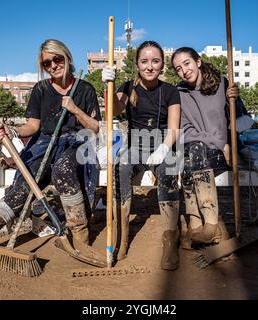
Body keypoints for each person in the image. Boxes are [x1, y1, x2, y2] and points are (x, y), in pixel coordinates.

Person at [0, 39, 102, 280]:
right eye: (47, 63)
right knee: (21, 189)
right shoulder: (41, 89)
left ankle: (80, 239)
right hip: (45, 144)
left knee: (64, 169)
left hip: (77, 143)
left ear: (68, 58)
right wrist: (11, 131)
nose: (53, 65)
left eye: (57, 59)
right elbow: (32, 126)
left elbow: (94, 127)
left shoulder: (85, 89)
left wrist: (74, 109)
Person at [102, 41, 182, 270]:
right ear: (137, 64)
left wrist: (164, 149)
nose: (149, 66)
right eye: (144, 61)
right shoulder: (128, 87)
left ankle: (170, 240)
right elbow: (112, 110)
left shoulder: (170, 91)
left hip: (162, 144)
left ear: (162, 65)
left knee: (168, 171)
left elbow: (174, 128)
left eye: (155, 61)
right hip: (134, 146)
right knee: (120, 167)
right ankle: (122, 237)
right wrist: (110, 84)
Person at [171, 47, 249, 248]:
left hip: (224, 152)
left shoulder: (224, 85)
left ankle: (209, 225)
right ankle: (199, 225)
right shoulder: (180, 93)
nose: (184, 71)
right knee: (191, 156)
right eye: (178, 68)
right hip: (202, 149)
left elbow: (241, 123)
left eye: (187, 63)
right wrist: (216, 143)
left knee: (193, 155)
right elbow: (185, 131)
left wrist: (230, 144)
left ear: (198, 61)